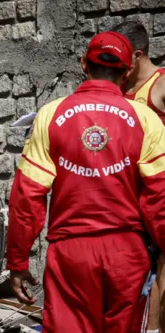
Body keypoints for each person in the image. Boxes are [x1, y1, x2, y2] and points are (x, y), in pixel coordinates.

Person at [7, 31, 165, 333]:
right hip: (127, 254)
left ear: (83, 64)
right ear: (128, 70)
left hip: (70, 256)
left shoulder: (50, 114)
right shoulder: (145, 118)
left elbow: (27, 196)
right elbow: (160, 196)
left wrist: (18, 261)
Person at [111, 20, 165, 333]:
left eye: (122, 55)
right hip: (125, 199)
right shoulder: (117, 88)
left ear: (138, 55)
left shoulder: (160, 84)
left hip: (156, 193)